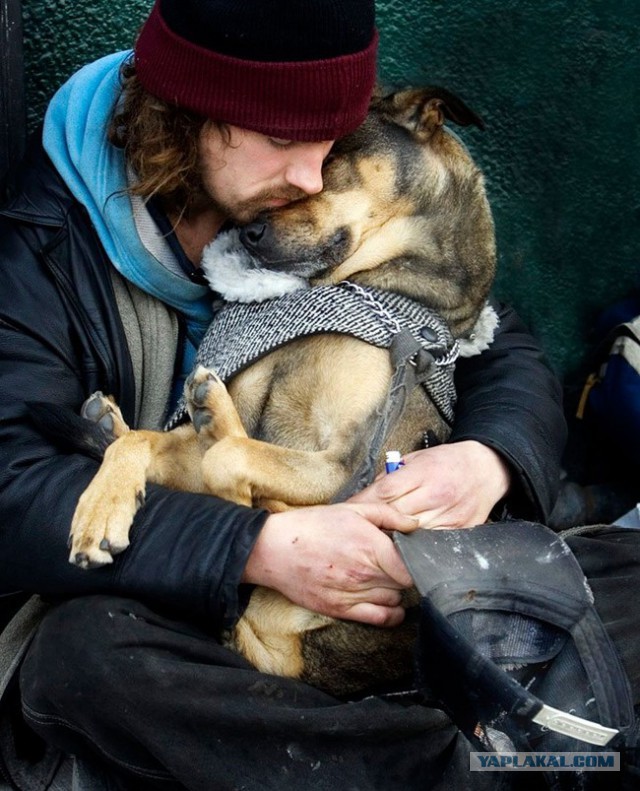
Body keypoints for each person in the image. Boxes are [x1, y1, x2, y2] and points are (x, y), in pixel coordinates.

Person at [0, 1, 570, 789]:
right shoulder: (41, 250)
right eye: (280, 140)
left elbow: (499, 340)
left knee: (615, 572)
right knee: (79, 659)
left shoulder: (309, 197)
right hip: (173, 600)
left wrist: (491, 460)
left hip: (372, 598)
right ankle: (453, 766)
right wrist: (256, 550)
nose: (310, 174)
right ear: (191, 113)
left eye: (332, 148)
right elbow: (11, 490)